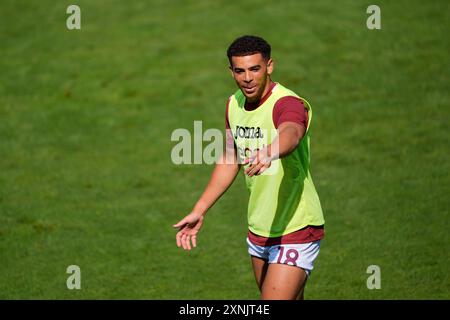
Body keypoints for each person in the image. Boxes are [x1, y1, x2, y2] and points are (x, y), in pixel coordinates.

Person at [173, 35, 325, 300]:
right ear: (230, 71)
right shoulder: (234, 104)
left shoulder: (287, 103)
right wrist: (200, 210)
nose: (247, 78)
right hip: (259, 229)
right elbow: (231, 158)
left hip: (296, 226)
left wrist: (270, 151)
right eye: (239, 71)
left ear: (269, 66)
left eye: (255, 68)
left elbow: (292, 132)